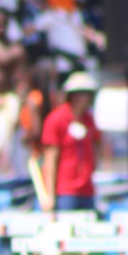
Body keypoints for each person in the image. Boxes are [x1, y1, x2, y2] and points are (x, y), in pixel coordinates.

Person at [40, 71, 103, 213]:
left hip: (87, 190)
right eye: (78, 93)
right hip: (65, 192)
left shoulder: (88, 119)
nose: (82, 98)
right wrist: (49, 195)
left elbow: (97, 146)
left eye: (86, 94)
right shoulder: (56, 120)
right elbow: (50, 159)